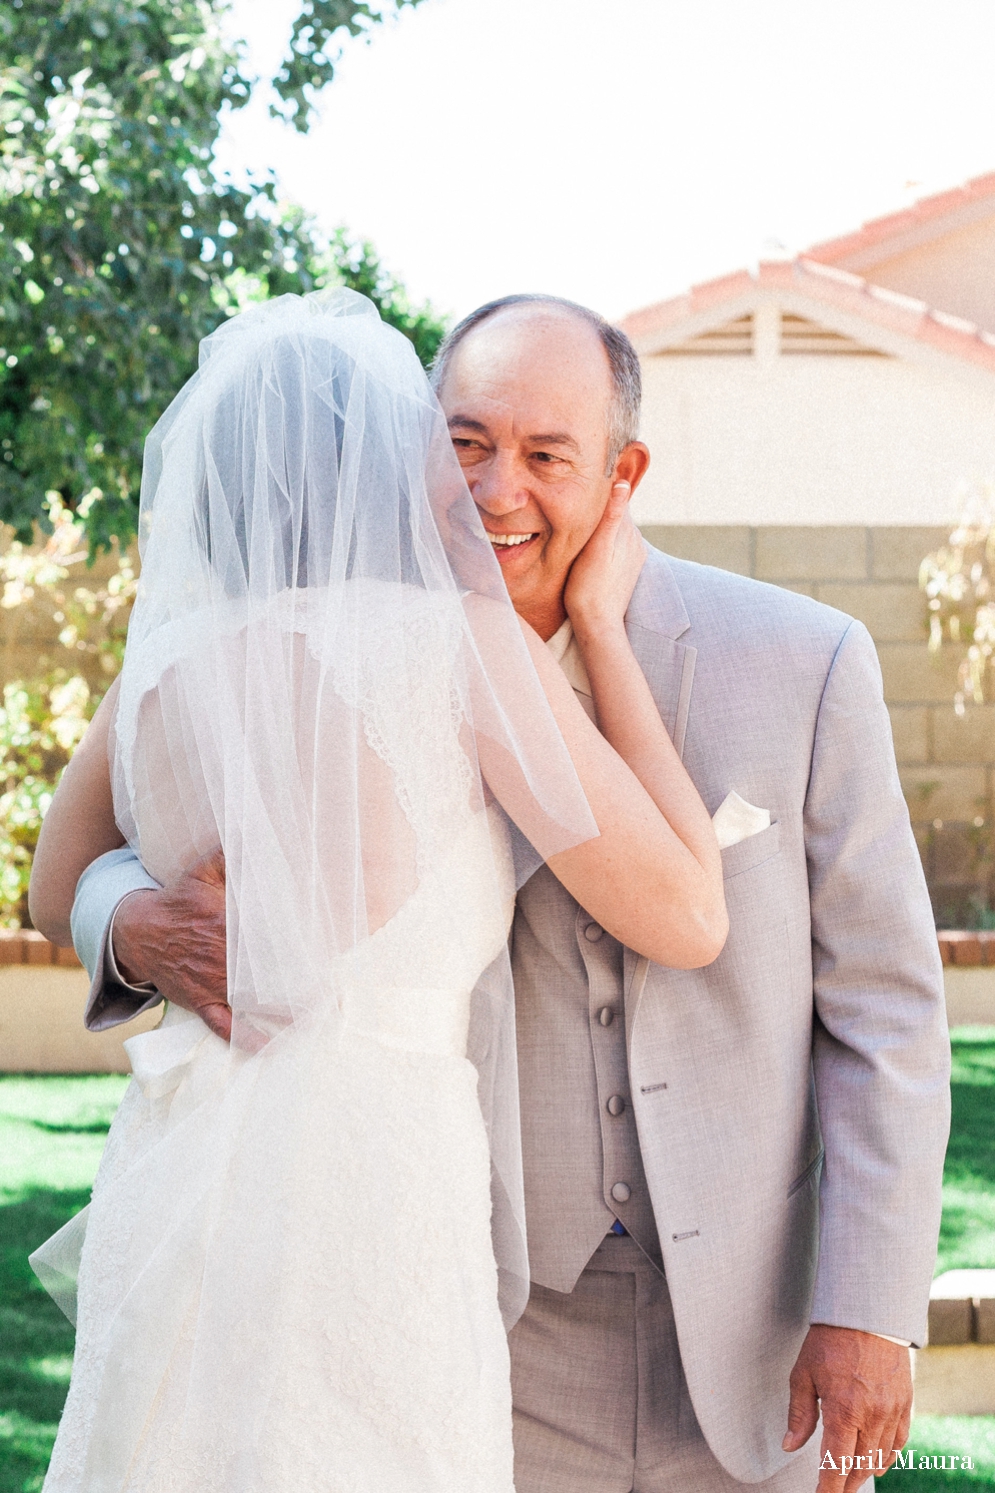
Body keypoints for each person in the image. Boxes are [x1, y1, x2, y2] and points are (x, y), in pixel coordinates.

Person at [37, 294, 950, 1493]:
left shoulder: (798, 657)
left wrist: (870, 1305)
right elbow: (74, 873)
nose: (493, 488)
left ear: (621, 473)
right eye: (461, 444)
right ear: (403, 455)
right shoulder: (447, 648)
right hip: (470, 1280)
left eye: (544, 455)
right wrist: (135, 925)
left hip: (735, 1319)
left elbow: (885, 1007)